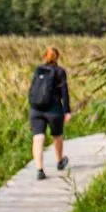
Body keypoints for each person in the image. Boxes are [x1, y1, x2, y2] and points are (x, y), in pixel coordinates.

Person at [29, 47, 72, 180]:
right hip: (54, 110)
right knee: (57, 135)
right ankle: (59, 161)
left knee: (38, 138)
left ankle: (39, 169)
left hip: (36, 109)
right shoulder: (60, 72)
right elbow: (64, 92)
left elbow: (32, 89)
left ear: (45, 56)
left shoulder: (38, 70)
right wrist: (67, 111)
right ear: (57, 57)